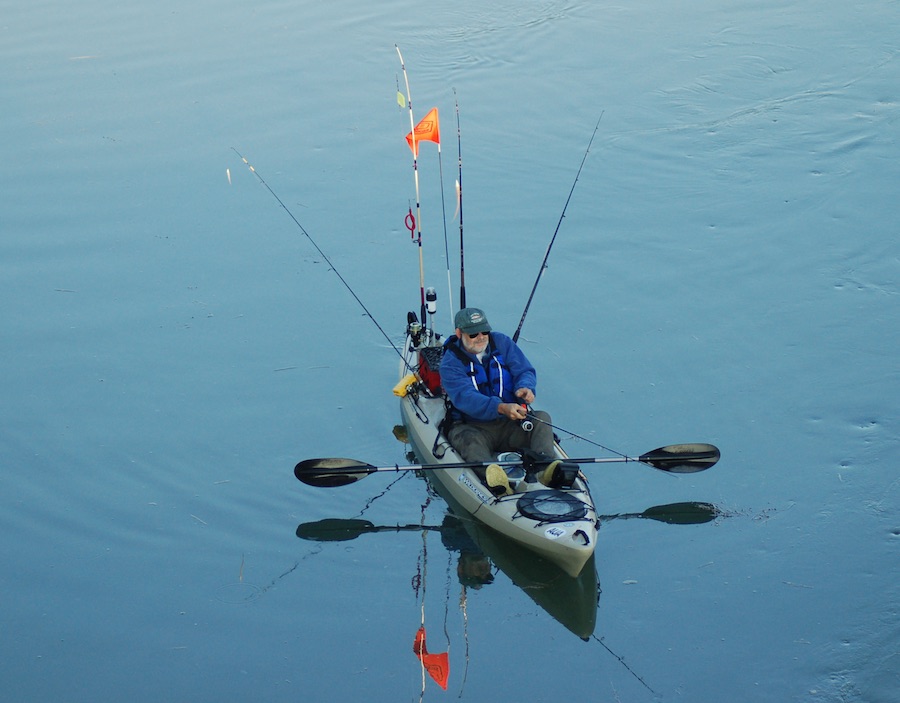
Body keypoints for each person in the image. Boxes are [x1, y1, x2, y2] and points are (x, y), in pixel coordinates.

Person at [440, 307, 571, 496]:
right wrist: (500, 407)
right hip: (473, 427)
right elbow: (465, 397)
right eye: (473, 334)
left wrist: (525, 388)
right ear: (459, 333)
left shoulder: (501, 342)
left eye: (484, 331)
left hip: (511, 422)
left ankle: (545, 471)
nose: (481, 337)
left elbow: (524, 370)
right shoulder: (450, 364)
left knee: (542, 418)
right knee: (470, 443)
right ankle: (496, 482)